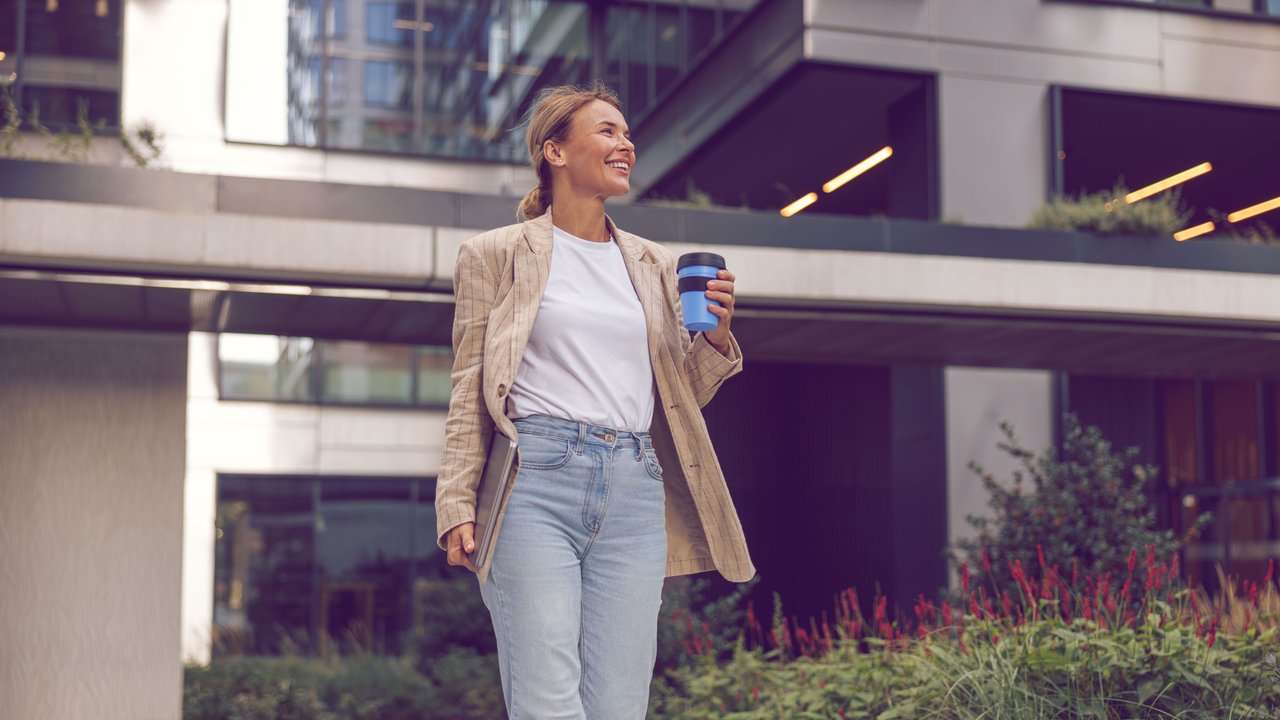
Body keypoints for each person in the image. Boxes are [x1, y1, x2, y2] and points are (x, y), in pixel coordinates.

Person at [434, 82, 754, 720]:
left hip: (636, 488)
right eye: (607, 131)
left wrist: (716, 338)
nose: (626, 144)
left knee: (618, 706)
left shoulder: (655, 267)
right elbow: (470, 383)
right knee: (549, 700)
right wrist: (455, 502)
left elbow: (678, 397)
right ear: (554, 151)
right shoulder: (495, 255)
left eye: (627, 133)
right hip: (534, 482)